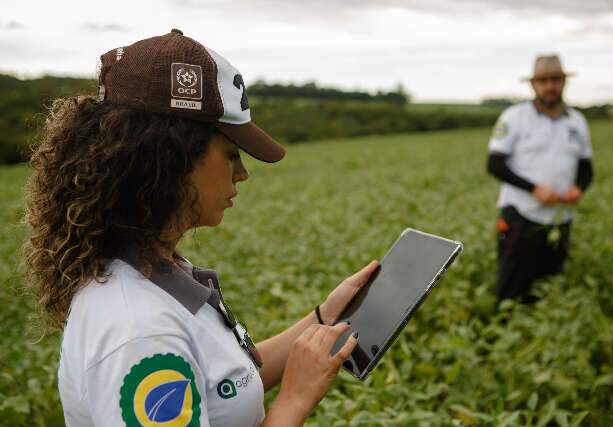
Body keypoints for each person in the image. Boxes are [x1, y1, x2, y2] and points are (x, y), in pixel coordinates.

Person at [23, 29, 380, 426]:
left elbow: (220, 393)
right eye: (230, 154)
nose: (243, 174)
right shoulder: (139, 332)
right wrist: (294, 400)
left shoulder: (155, 270)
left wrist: (322, 319)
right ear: (169, 158)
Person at [486, 54, 594, 304]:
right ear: (533, 84)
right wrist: (533, 189)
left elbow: (587, 168)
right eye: (543, 80)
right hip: (520, 214)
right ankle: (506, 334)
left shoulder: (577, 121)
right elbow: (494, 164)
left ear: (564, 82)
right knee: (512, 285)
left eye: (555, 79)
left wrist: (579, 189)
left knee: (549, 284)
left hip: (560, 218)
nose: (550, 86)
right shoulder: (514, 117)